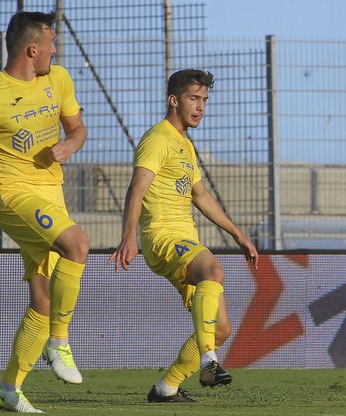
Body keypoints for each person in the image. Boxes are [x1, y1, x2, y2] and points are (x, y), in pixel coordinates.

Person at [108, 69, 259, 403]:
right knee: (212, 270)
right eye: (194, 98)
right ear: (173, 100)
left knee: (220, 329)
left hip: (184, 239)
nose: (201, 107)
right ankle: (208, 362)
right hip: (162, 236)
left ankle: (167, 388)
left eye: (204, 100)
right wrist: (128, 236)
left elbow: (201, 196)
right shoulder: (157, 138)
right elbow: (137, 187)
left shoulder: (185, 146)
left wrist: (237, 234)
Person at [0, 10, 90, 413]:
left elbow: (78, 129)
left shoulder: (58, 79)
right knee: (78, 243)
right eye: (51, 45)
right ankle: (60, 342)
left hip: (51, 193)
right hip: (12, 196)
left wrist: (68, 147)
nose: (55, 51)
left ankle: (8, 389)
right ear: (31, 49)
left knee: (42, 299)